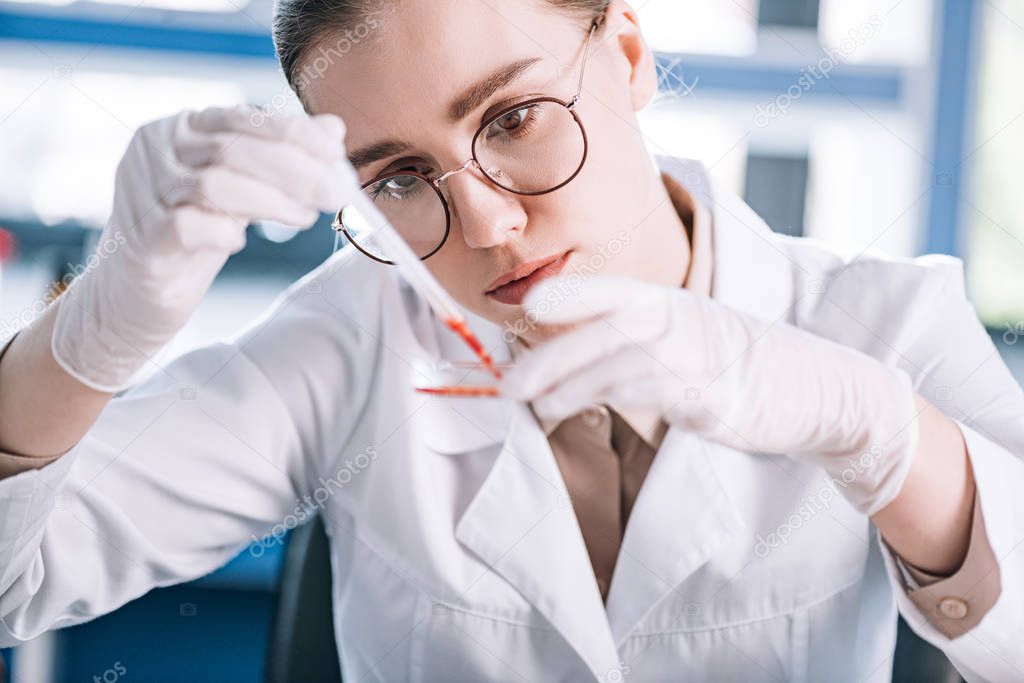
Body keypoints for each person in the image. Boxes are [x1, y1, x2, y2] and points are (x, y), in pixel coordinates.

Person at [0, 1, 1022, 680]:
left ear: (625, 55)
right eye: (400, 177)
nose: (484, 224)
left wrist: (878, 430)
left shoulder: (883, 323)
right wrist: (87, 340)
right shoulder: (355, 332)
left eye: (515, 116)